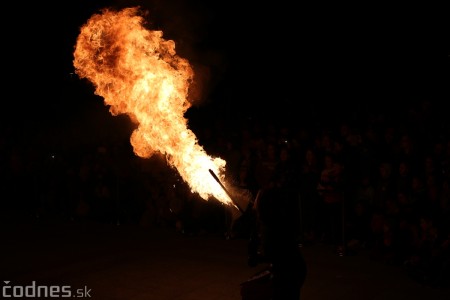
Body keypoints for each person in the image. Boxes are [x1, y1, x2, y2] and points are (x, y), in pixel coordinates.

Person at [246, 186, 307, 300]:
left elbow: (273, 254)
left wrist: (255, 256)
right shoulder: (268, 221)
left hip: (289, 272)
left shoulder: (274, 227)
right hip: (291, 269)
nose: (255, 202)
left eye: (258, 200)